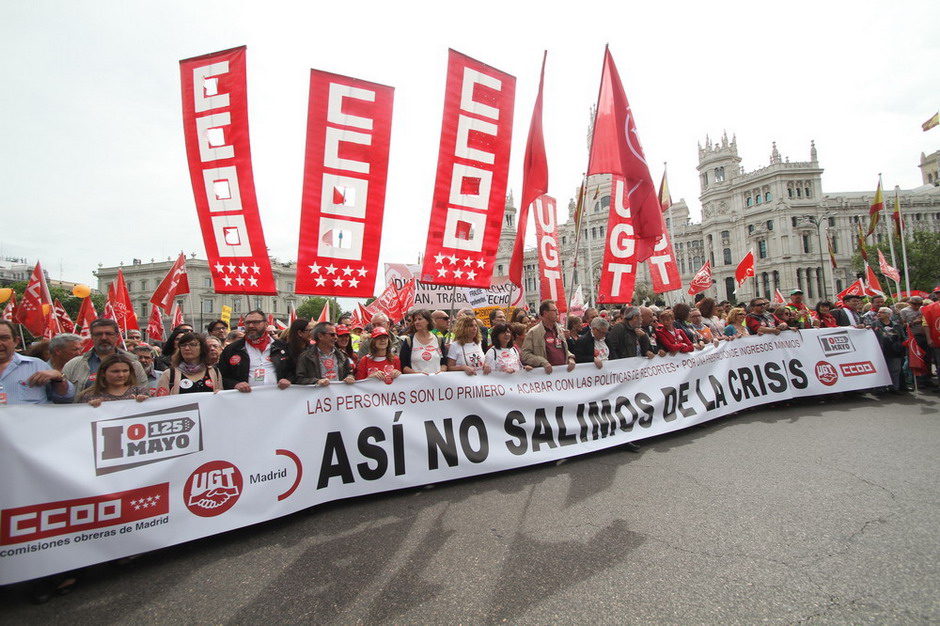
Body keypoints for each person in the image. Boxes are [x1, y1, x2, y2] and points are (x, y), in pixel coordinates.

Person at [62, 318, 147, 393]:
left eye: (108, 334)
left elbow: (143, 392)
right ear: (92, 337)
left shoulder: (134, 363)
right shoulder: (74, 365)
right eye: (98, 334)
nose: (104, 338)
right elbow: (63, 396)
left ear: (117, 336)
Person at [0, 319, 74, 404]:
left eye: (4, 338)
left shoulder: (37, 366)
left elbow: (65, 399)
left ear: (16, 341)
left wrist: (59, 379)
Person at [218, 309, 291, 392]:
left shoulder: (281, 346)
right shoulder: (233, 349)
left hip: (277, 395)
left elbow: (293, 370)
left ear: (266, 324)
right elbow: (222, 376)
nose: (251, 326)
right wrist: (235, 384)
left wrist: (288, 379)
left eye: (256, 322)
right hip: (246, 396)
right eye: (247, 323)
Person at [155, 332, 222, 395]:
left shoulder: (214, 372)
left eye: (192, 345)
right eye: (183, 345)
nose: (187, 348)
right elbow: (161, 400)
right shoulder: (170, 374)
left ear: (202, 348)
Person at [521, 300, 576, 374]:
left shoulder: (559, 330)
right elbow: (525, 355)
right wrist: (542, 362)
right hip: (545, 376)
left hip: (562, 373)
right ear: (545, 313)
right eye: (554, 310)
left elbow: (561, 349)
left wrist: (570, 357)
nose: (557, 313)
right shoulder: (533, 332)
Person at [79, 353, 149, 407]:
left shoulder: (140, 392)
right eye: (115, 371)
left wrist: (145, 401)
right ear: (103, 373)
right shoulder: (90, 396)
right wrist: (90, 407)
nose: (121, 375)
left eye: (125, 371)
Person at [400, 309, 447, 375]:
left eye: (420, 319)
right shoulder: (409, 341)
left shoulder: (439, 340)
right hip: (417, 380)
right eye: (415, 320)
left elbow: (444, 363)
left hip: (436, 380)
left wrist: (442, 371)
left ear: (428, 321)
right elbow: (404, 366)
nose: (417, 322)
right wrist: (418, 374)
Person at [871, 307, 906, 394]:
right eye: (878, 312)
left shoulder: (896, 325)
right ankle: (880, 388)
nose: (879, 314)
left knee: (895, 370)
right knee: (880, 370)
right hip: (880, 351)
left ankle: (894, 388)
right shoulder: (874, 324)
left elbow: (903, 337)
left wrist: (901, 346)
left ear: (889, 315)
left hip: (895, 351)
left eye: (882, 312)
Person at [280, 318, 312, 384]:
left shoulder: (312, 349)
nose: (311, 333)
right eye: (309, 330)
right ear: (300, 333)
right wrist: (289, 379)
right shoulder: (285, 350)